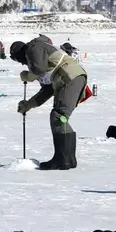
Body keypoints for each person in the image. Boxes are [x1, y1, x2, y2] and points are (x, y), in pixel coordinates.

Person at [10, 37, 88, 170]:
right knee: (61, 117)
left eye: (19, 60)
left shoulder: (33, 48)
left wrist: (28, 76)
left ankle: (61, 159)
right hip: (73, 77)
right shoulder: (39, 56)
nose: (23, 64)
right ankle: (69, 159)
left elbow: (39, 70)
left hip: (68, 77)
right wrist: (28, 105)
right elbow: (47, 90)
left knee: (58, 116)